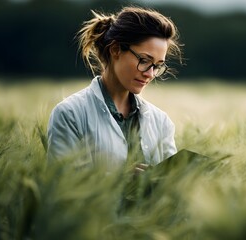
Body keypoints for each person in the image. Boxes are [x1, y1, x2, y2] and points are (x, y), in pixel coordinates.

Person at [47, 6, 183, 173]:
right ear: (115, 49)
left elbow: (174, 189)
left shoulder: (161, 122)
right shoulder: (70, 114)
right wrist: (122, 180)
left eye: (157, 66)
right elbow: (63, 185)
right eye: (144, 60)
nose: (150, 74)